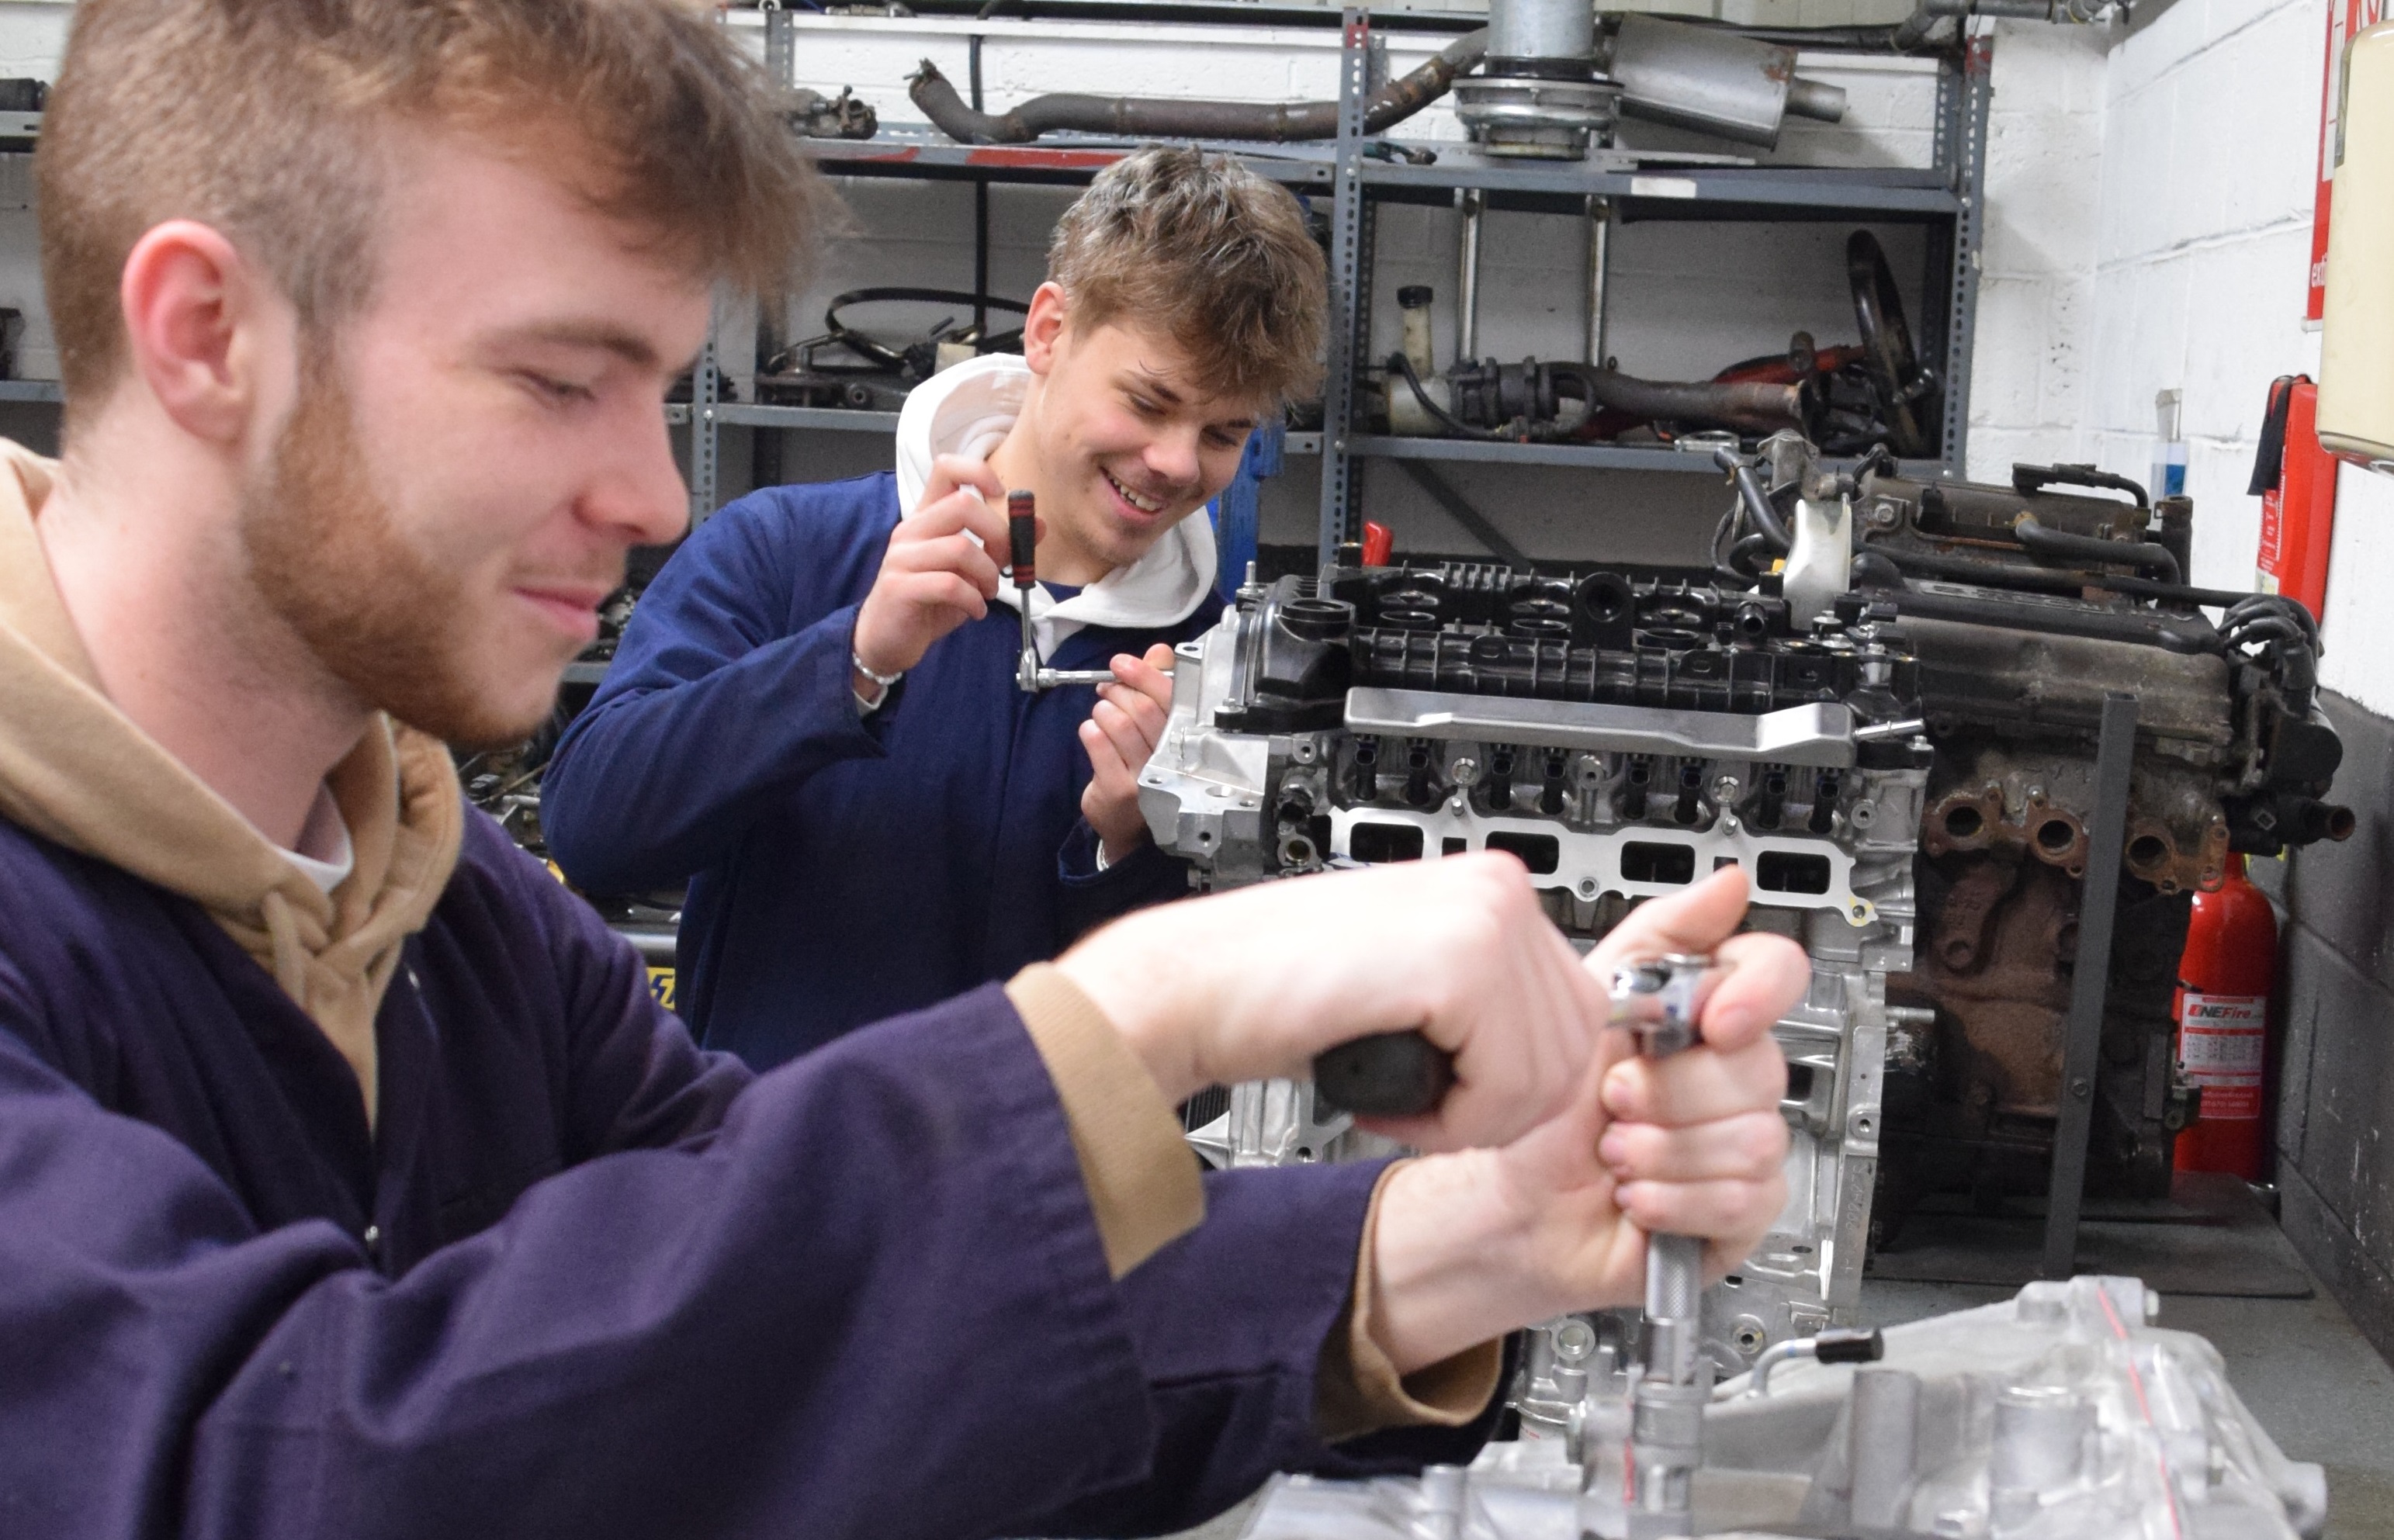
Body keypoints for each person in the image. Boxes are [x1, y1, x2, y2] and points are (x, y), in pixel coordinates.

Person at [0, 2, 1803, 1538]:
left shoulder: (442, 906)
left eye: (658, 394)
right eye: (561, 379)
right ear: (209, 337)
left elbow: (817, 1300)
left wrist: (1481, 1230)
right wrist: (1136, 1015)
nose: (647, 497)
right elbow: (268, 1455)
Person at [542, 146, 1311, 1068]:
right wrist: (850, 660)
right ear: (1049, 332)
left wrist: (1128, 846)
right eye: (1148, 403)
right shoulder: (789, 552)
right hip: (769, 1183)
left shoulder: (1214, 658)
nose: (1180, 464)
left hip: (1046, 1202)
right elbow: (594, 831)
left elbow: (1214, 1041)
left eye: (1223, 433)